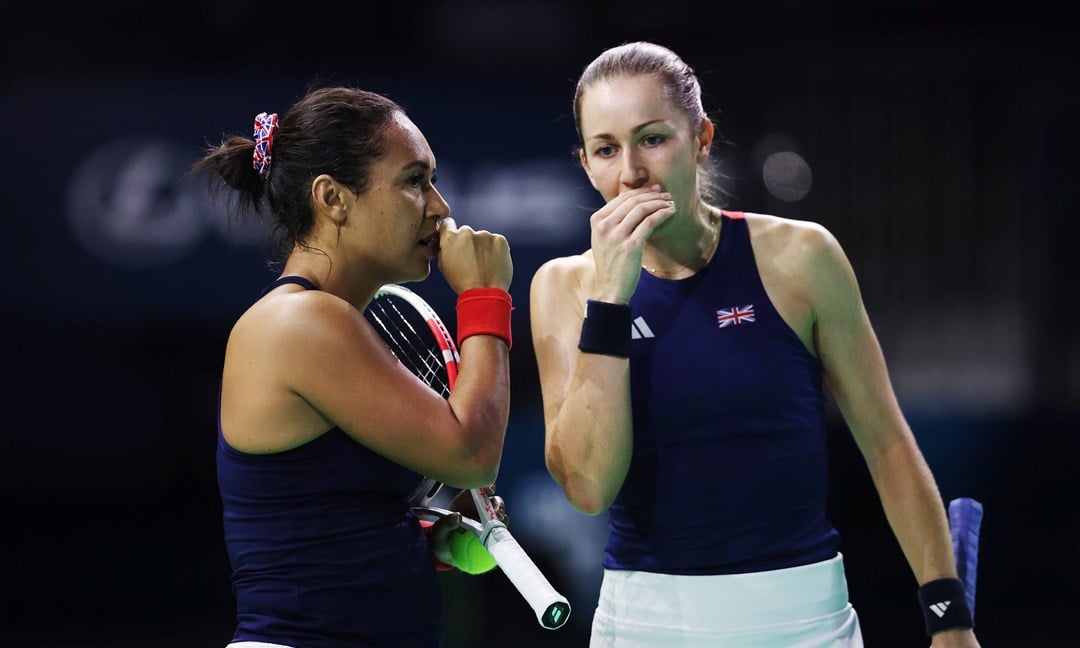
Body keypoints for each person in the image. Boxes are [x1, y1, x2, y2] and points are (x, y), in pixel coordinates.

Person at [529, 42, 980, 647]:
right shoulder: (564, 287)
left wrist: (949, 620)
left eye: (653, 139)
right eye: (607, 149)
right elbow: (587, 486)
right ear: (586, 164)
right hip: (645, 626)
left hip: (807, 623)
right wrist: (611, 298)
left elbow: (888, 445)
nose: (631, 171)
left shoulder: (803, 257)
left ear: (702, 139)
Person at [195, 85, 514, 647]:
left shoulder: (340, 325)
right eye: (415, 181)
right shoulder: (302, 322)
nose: (440, 207)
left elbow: (311, 521)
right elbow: (471, 454)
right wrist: (485, 296)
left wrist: (423, 537)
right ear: (333, 198)